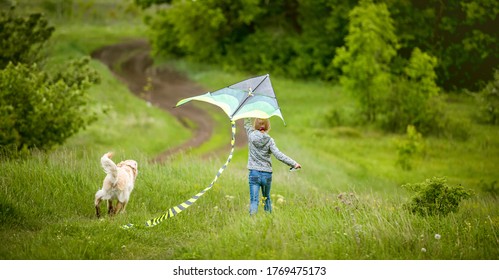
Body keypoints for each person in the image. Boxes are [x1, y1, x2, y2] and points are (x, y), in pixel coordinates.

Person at [244, 118, 301, 215]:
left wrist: (247, 111)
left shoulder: (250, 135)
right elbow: (279, 155)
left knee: (254, 200)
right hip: (267, 174)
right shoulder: (270, 140)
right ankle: (269, 220)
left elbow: (247, 123)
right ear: (267, 126)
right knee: (267, 198)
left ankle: (252, 221)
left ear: (255, 125)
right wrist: (294, 163)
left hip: (254, 173)